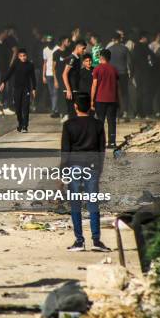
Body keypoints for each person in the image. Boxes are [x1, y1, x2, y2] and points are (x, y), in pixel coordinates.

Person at [61, 92, 110, 252]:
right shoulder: (97, 124)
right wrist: (99, 168)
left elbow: (65, 152)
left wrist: (63, 173)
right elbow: (101, 149)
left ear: (75, 106)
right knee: (93, 203)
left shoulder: (68, 125)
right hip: (92, 167)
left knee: (75, 203)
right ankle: (96, 240)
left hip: (74, 167)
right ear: (90, 106)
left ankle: (79, 241)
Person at [1, 48, 36, 132]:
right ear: (18, 57)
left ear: (26, 56)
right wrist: (3, 82)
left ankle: (25, 126)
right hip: (17, 89)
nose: (23, 57)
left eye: (24, 56)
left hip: (26, 89)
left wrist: (34, 89)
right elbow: (9, 73)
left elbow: (33, 78)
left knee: (26, 108)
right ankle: (20, 123)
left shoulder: (30, 65)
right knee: (18, 108)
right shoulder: (16, 64)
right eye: (21, 56)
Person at [91, 49, 119, 148]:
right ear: (109, 58)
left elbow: (94, 85)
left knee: (100, 122)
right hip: (112, 100)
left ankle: (100, 142)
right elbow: (117, 85)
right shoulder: (114, 69)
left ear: (100, 57)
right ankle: (112, 142)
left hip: (100, 99)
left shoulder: (97, 69)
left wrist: (91, 100)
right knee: (112, 121)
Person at [106, 32, 131, 121]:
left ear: (113, 39)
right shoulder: (125, 49)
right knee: (124, 93)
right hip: (123, 73)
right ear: (120, 39)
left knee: (114, 93)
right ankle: (125, 112)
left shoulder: (109, 49)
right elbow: (129, 63)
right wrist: (131, 74)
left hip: (112, 74)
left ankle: (115, 113)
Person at [131, 32, 155, 119]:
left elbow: (132, 61)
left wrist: (132, 74)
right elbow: (153, 57)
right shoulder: (145, 47)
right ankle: (147, 113)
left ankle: (138, 113)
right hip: (145, 72)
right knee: (146, 93)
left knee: (139, 93)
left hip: (137, 73)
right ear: (143, 38)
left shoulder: (135, 48)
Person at [62, 40, 86, 118]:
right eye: (83, 48)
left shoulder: (77, 58)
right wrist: (68, 90)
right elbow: (64, 74)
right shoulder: (72, 58)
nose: (84, 50)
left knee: (76, 113)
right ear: (78, 47)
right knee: (72, 114)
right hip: (71, 90)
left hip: (75, 89)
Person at [52, 36, 71, 121]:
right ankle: (63, 114)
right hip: (59, 77)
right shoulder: (56, 53)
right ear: (63, 41)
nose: (69, 42)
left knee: (67, 94)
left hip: (67, 77)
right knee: (61, 95)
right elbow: (53, 68)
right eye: (67, 41)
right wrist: (55, 80)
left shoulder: (68, 52)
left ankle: (67, 113)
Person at [42, 35, 59, 118]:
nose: (49, 43)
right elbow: (44, 63)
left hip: (55, 73)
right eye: (48, 42)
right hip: (48, 74)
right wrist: (43, 75)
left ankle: (54, 109)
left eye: (50, 41)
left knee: (56, 92)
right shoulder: (45, 50)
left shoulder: (57, 48)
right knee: (51, 93)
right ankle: (55, 109)